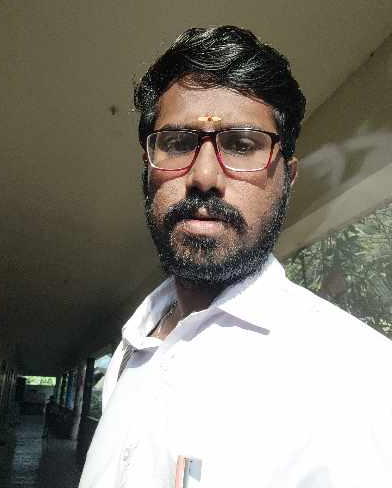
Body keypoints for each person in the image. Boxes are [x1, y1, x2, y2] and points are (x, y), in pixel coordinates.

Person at [79, 26, 392, 487]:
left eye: (242, 145)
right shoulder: (132, 350)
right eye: (178, 142)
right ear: (148, 170)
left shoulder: (361, 383)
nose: (204, 176)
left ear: (288, 178)